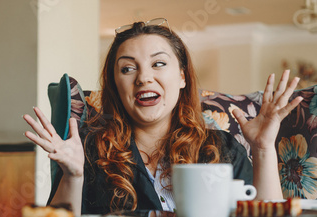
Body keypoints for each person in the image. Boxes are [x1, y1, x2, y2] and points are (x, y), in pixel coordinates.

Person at [23, 18, 302, 215]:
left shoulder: (220, 148)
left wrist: (263, 149)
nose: (144, 77)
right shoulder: (90, 148)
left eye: (158, 64)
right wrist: (73, 175)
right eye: (128, 69)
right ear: (116, 86)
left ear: (181, 77)